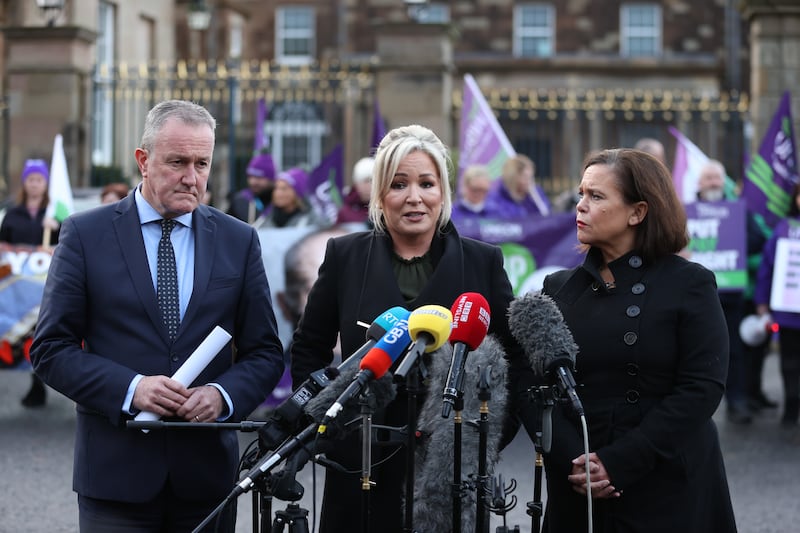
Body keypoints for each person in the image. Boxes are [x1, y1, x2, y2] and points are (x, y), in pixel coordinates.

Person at [29, 99, 285, 532]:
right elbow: (51, 350)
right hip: (115, 478)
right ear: (143, 161)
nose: (192, 178)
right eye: (178, 162)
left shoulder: (238, 240)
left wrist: (223, 396)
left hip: (207, 481)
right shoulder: (85, 235)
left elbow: (265, 352)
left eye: (202, 163)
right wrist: (132, 389)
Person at [289, 124, 529, 533]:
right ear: (380, 194)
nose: (414, 197)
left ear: (443, 193)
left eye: (426, 183)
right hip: (360, 464)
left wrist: (481, 441)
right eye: (399, 184)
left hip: (449, 475)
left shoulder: (482, 261)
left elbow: (515, 361)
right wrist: (335, 432)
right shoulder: (345, 256)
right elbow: (308, 348)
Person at [538, 148, 736, 532]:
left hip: (666, 478)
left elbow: (702, 388)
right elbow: (535, 389)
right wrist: (573, 460)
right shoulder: (559, 288)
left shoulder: (689, 283)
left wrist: (620, 461)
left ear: (637, 212)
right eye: (581, 193)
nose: (580, 206)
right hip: (579, 482)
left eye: (596, 196)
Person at [695, 159, 752, 424]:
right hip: (694, 298)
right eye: (708, 179)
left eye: (717, 178)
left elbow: (758, 239)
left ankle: (737, 402)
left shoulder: (739, 211)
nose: (713, 184)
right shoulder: (686, 211)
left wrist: (736, 235)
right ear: (699, 183)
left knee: (734, 351)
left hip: (729, 296)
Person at [0, 158, 58, 407]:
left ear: (46, 184)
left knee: (39, 330)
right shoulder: (13, 214)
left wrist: (56, 228)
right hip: (18, 289)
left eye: (40, 180)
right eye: (31, 180)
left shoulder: (55, 213)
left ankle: (39, 382)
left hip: (43, 287)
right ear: (25, 182)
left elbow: (68, 246)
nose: (35, 185)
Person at [754, 181, 800, 428]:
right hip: (789, 313)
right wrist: (762, 303)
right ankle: (792, 405)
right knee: (790, 361)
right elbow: (767, 268)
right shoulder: (783, 229)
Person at [252, 167, 320, 229]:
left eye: (284, 189)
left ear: (297, 193)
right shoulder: (266, 219)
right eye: (276, 188)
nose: (278, 193)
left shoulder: (310, 221)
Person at [486, 154, 550, 219]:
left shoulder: (536, 194)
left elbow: (545, 216)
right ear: (512, 177)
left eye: (531, 177)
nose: (529, 182)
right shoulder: (496, 198)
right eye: (525, 177)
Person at [228, 151, 276, 223]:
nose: (253, 182)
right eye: (250, 176)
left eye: (259, 177)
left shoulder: (281, 203)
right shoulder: (240, 201)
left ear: (271, 179)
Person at [336, 156, 374, 225]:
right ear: (356, 183)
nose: (369, 186)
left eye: (372, 180)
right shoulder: (344, 212)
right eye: (365, 181)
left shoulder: (385, 209)